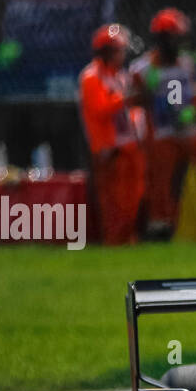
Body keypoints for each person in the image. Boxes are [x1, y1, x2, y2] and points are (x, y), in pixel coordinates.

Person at [129, 8, 196, 237]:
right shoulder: (142, 68)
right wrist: (150, 97)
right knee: (160, 179)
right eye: (174, 38)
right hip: (160, 132)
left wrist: (190, 111)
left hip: (187, 129)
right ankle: (160, 224)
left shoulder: (186, 63)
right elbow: (132, 99)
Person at [78, 24, 145, 244]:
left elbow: (131, 110)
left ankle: (128, 237)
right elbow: (99, 109)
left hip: (129, 144)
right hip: (108, 147)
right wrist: (125, 98)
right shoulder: (91, 77)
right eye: (119, 51)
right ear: (106, 51)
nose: (123, 55)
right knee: (113, 200)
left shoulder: (121, 76)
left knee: (132, 196)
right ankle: (114, 240)